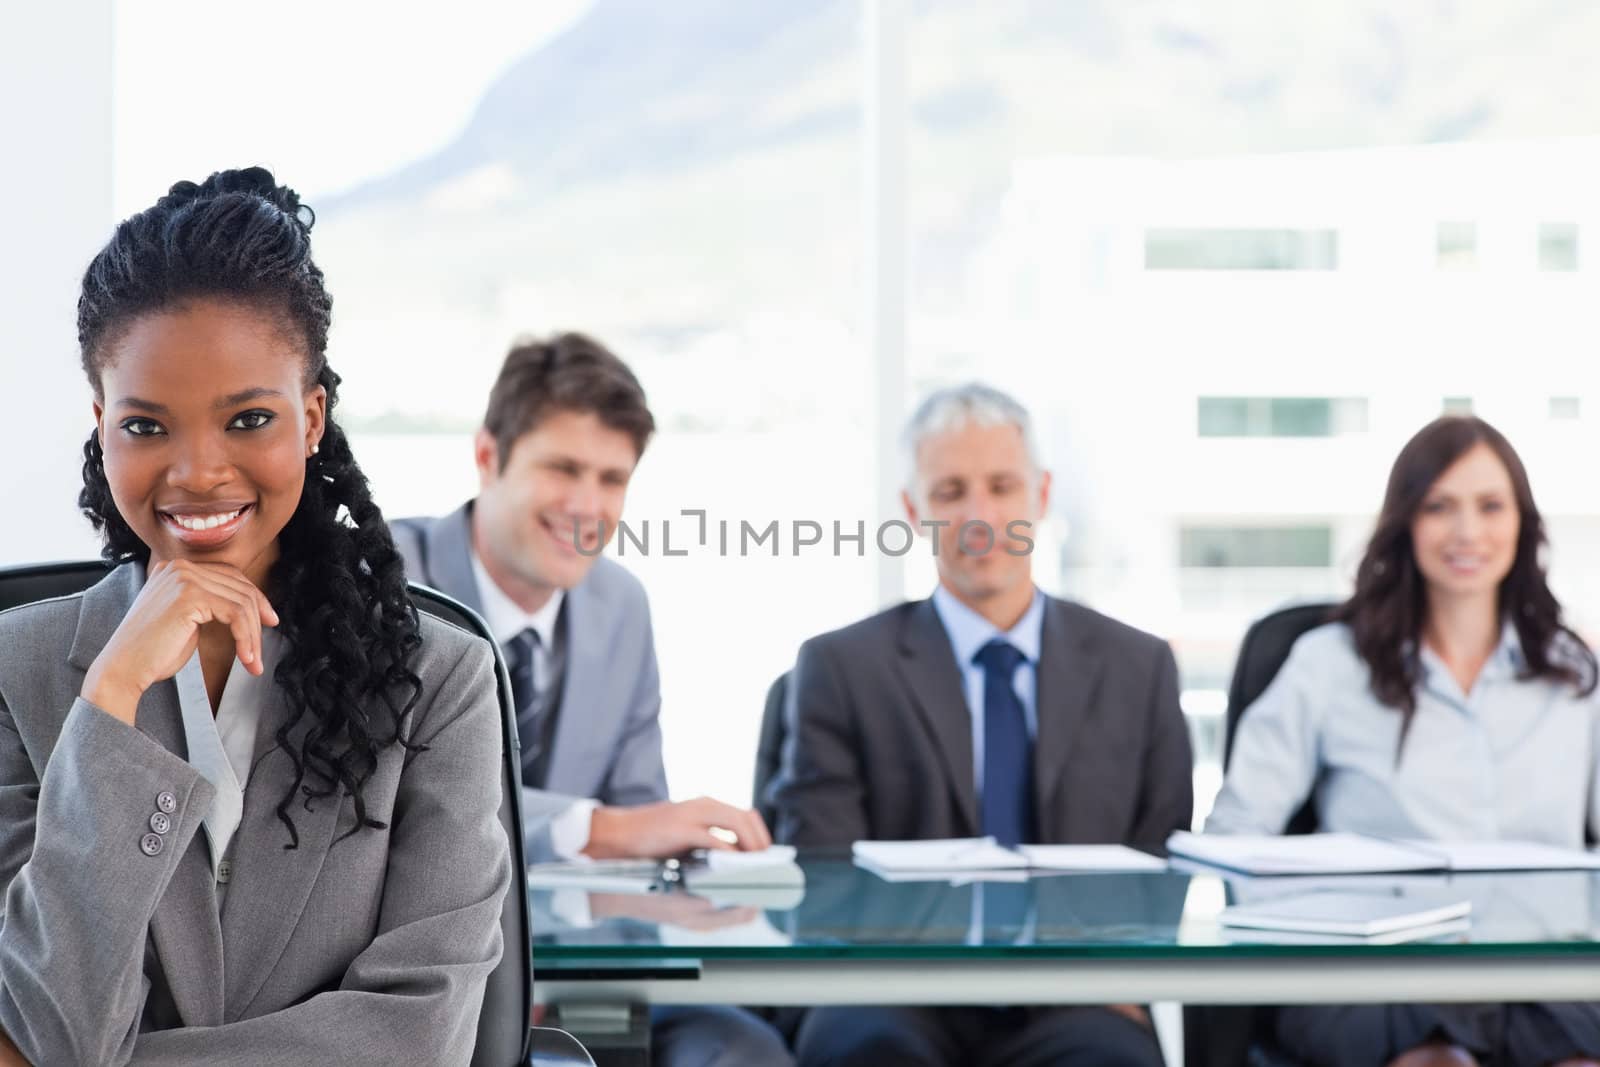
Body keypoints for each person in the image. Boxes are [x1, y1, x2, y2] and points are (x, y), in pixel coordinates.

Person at [0, 168, 509, 1065]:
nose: (197, 471)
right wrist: (111, 696)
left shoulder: (442, 680)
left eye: (247, 419)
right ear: (101, 424)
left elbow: (422, 1040)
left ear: (311, 419)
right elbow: (56, 1024)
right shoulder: (17, 669)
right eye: (148, 426)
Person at [391, 332, 792, 1066]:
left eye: (612, 478)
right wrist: (599, 828)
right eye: (563, 467)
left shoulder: (620, 605)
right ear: (488, 456)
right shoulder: (388, 582)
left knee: (744, 1050)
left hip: (588, 980)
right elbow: (399, 804)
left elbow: (641, 816)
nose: (588, 504)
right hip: (420, 983)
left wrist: (697, 872)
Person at [769, 382, 1192, 1067]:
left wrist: (1119, 979)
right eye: (949, 491)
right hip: (892, 992)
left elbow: (1159, 865)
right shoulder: (842, 667)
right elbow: (824, 877)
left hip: (1077, 997)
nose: (979, 515)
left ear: (1042, 496)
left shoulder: (1136, 667)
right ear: (913, 510)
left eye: (1002, 486)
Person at [1207, 415, 1600, 1067]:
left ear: (1522, 526)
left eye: (1490, 506)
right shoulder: (1330, 663)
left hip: (1541, 971)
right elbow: (1235, 834)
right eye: (1439, 506)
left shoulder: (1571, 675)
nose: (1468, 531)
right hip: (1374, 974)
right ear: (1406, 522)